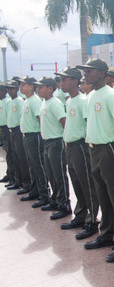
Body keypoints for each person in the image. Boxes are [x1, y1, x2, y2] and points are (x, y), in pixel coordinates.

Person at [77, 58, 114, 263]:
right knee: (103, 195)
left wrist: (112, 135)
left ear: (101, 73)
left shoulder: (110, 94)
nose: (85, 75)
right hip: (94, 149)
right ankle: (107, 233)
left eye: (89, 71)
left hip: (108, 149)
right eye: (84, 71)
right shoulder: (91, 95)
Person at [56, 67, 100, 240]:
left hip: (80, 146)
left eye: (64, 80)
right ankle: (81, 215)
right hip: (70, 146)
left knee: (87, 183)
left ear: (75, 81)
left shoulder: (82, 101)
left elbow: (89, 123)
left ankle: (92, 221)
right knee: (76, 182)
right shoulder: (69, 101)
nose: (61, 83)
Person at [35, 76, 71, 220]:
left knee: (59, 175)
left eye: (41, 87)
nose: (38, 89)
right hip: (47, 142)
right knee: (51, 174)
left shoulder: (55, 103)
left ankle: (64, 205)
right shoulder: (45, 102)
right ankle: (56, 200)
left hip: (56, 142)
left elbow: (64, 122)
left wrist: (64, 140)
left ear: (50, 88)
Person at [18, 76, 50, 204]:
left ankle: (44, 194)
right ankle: (34, 190)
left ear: (31, 86)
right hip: (27, 136)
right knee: (32, 165)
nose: (21, 87)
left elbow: (39, 119)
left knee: (38, 165)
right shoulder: (27, 100)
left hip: (34, 136)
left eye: (23, 84)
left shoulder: (35, 101)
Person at [5, 80, 31, 193]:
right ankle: (18, 180)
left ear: (16, 89)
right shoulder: (9, 102)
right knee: (14, 156)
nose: (10, 91)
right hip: (11, 131)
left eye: (12, 88)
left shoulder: (20, 101)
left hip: (18, 131)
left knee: (22, 157)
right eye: (8, 89)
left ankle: (26, 183)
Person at [0, 83, 15, 186]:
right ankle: (9, 173)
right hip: (3, 128)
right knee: (7, 153)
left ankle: (13, 176)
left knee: (10, 153)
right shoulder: (2, 102)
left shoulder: (7, 102)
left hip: (7, 128)